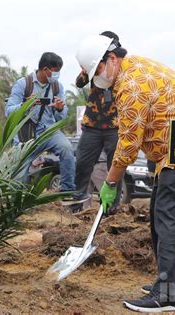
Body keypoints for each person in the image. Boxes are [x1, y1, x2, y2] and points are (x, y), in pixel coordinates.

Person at [76, 34, 175, 312]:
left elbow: (128, 143)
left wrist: (111, 182)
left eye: (98, 70)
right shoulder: (132, 67)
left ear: (111, 59)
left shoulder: (131, 85)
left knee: (167, 216)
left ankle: (168, 296)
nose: (97, 78)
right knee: (160, 214)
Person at [5, 52, 82, 201]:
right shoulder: (23, 84)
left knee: (66, 148)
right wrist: (25, 105)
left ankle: (67, 192)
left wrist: (60, 108)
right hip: (25, 133)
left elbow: (62, 118)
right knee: (20, 170)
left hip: (48, 130)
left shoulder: (56, 86)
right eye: (55, 71)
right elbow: (9, 111)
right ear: (45, 69)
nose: (57, 74)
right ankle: (16, 201)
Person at [71, 31, 122, 212]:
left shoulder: (117, 66)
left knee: (115, 166)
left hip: (114, 126)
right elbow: (78, 83)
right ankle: (78, 202)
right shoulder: (94, 65)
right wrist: (86, 70)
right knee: (83, 164)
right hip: (92, 125)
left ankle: (112, 206)